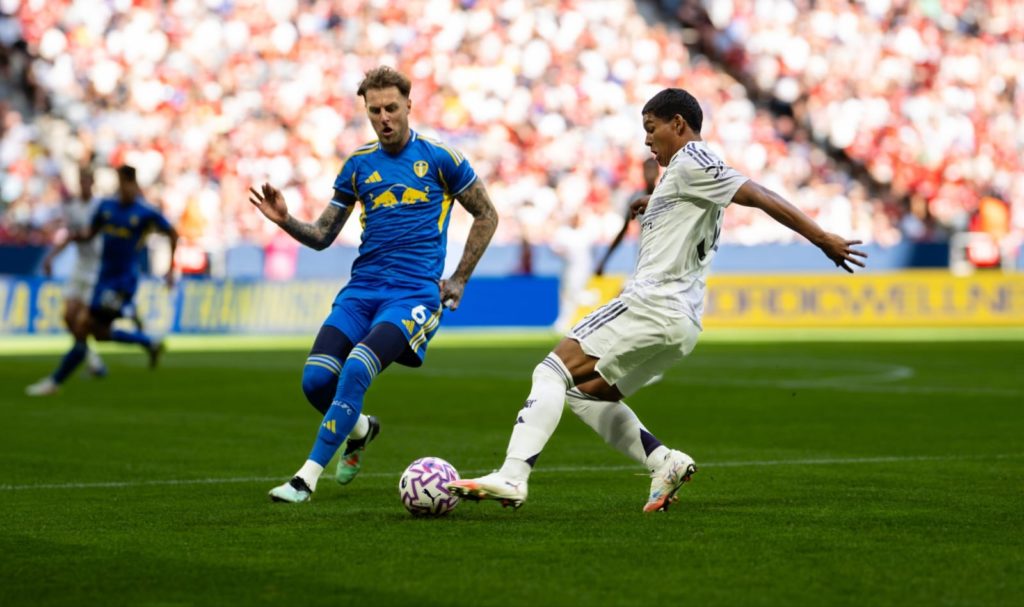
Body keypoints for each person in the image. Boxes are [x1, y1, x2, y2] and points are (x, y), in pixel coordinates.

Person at [445, 88, 867, 512]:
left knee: (551, 372)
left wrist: (822, 238)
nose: (647, 141)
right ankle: (664, 462)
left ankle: (513, 476)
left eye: (652, 129)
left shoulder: (693, 160)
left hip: (652, 304)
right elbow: (695, 202)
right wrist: (656, 201)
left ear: (678, 125)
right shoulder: (682, 176)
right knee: (586, 394)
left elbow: (755, 194)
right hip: (680, 324)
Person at [249, 66, 499, 503]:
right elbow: (324, 236)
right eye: (374, 110)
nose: (384, 118)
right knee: (315, 382)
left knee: (358, 366)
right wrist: (286, 221)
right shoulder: (358, 165)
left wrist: (458, 278)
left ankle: (305, 478)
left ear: (408, 106)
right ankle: (361, 428)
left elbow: (487, 214)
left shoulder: (442, 159)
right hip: (361, 292)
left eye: (391, 108)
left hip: (413, 295)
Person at [26, 165, 178, 396]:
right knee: (97, 332)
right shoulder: (107, 208)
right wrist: (66, 242)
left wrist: (170, 268)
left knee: (84, 325)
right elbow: (89, 233)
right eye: (120, 182)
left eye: (126, 183)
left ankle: (55, 382)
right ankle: (148, 341)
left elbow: (172, 233)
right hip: (102, 278)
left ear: (134, 185)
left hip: (123, 281)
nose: (123, 188)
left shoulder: (145, 212)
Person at [38, 165, 107, 378]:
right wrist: (51, 257)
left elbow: (88, 235)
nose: (84, 185)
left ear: (93, 183)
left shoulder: (102, 207)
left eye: (88, 181)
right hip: (80, 265)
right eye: (82, 181)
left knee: (82, 321)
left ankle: (91, 360)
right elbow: (70, 236)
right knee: (68, 316)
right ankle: (91, 358)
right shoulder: (72, 207)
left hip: (97, 267)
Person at [594, 157, 660, 276]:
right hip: (642, 253)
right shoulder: (636, 197)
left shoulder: (664, 195)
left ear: (657, 172)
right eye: (647, 170)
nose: (649, 174)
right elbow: (623, 230)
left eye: (652, 170)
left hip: (662, 253)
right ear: (642, 171)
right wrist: (604, 260)